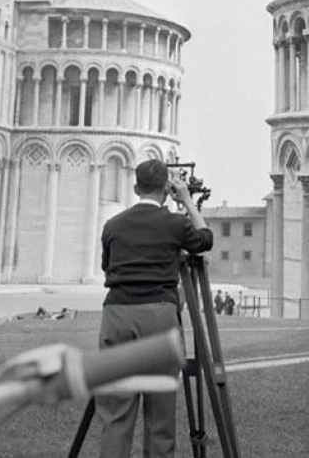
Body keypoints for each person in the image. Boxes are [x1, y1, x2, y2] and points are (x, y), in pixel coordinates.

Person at [96, 159, 213, 458]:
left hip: (118, 315)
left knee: (115, 414)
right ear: (166, 189)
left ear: (136, 188)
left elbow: (107, 266)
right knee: (160, 416)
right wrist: (186, 200)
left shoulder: (113, 225)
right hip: (159, 315)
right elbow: (205, 239)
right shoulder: (175, 223)